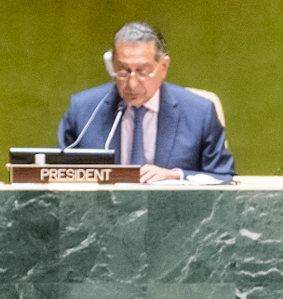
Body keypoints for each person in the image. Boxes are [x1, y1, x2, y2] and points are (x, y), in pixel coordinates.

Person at [55, 21, 236, 182]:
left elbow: (224, 177)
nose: (132, 84)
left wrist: (177, 176)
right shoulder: (84, 110)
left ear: (163, 67)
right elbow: (55, 173)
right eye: (123, 71)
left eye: (142, 71)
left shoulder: (199, 112)